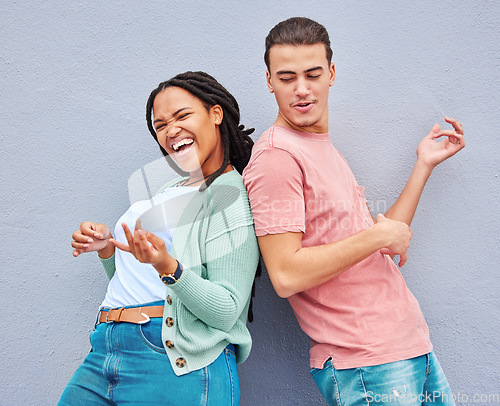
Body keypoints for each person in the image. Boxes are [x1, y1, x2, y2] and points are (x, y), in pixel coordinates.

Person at [242, 17, 464, 405]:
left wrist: (423, 165)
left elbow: (380, 239)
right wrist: (379, 235)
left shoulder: (323, 148)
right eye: (287, 77)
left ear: (331, 73)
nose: (302, 89)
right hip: (365, 362)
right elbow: (285, 274)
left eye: (312, 74)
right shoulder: (277, 157)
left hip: (407, 346)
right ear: (269, 81)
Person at [59, 71, 260, 406]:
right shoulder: (169, 191)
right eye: (161, 124)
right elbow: (138, 283)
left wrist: (167, 264)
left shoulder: (230, 197)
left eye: (182, 116)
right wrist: (108, 248)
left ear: (215, 113)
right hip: (107, 348)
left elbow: (226, 309)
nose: (171, 130)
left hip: (169, 357)